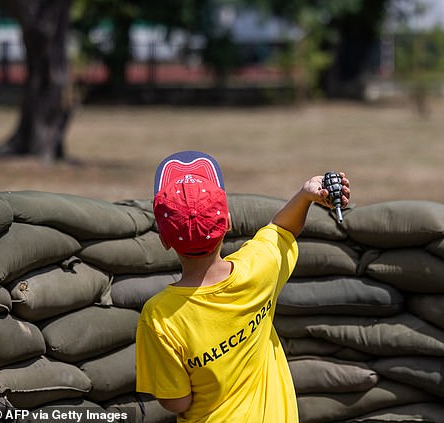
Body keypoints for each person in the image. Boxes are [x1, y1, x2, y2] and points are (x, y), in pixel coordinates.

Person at [135, 151, 350, 422]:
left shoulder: (159, 317)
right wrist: (306, 195)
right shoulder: (258, 268)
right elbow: (283, 228)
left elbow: (177, 401)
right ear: (228, 223)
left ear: (165, 240)